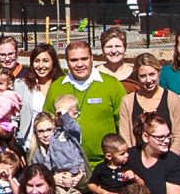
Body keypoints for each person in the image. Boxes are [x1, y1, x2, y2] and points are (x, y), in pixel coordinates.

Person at [46, 40, 125, 170]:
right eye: (74, 60)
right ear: (67, 61)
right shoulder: (57, 87)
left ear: (92, 58)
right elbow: (47, 123)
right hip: (66, 166)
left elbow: (122, 124)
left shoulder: (112, 85)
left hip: (106, 164)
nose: (79, 64)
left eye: (84, 59)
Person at [119, 53, 180, 157]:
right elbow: (125, 135)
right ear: (137, 76)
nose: (148, 80)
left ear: (159, 72)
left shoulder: (172, 99)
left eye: (152, 74)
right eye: (143, 76)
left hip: (167, 161)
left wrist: (170, 161)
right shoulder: (128, 101)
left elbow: (179, 135)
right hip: (137, 161)